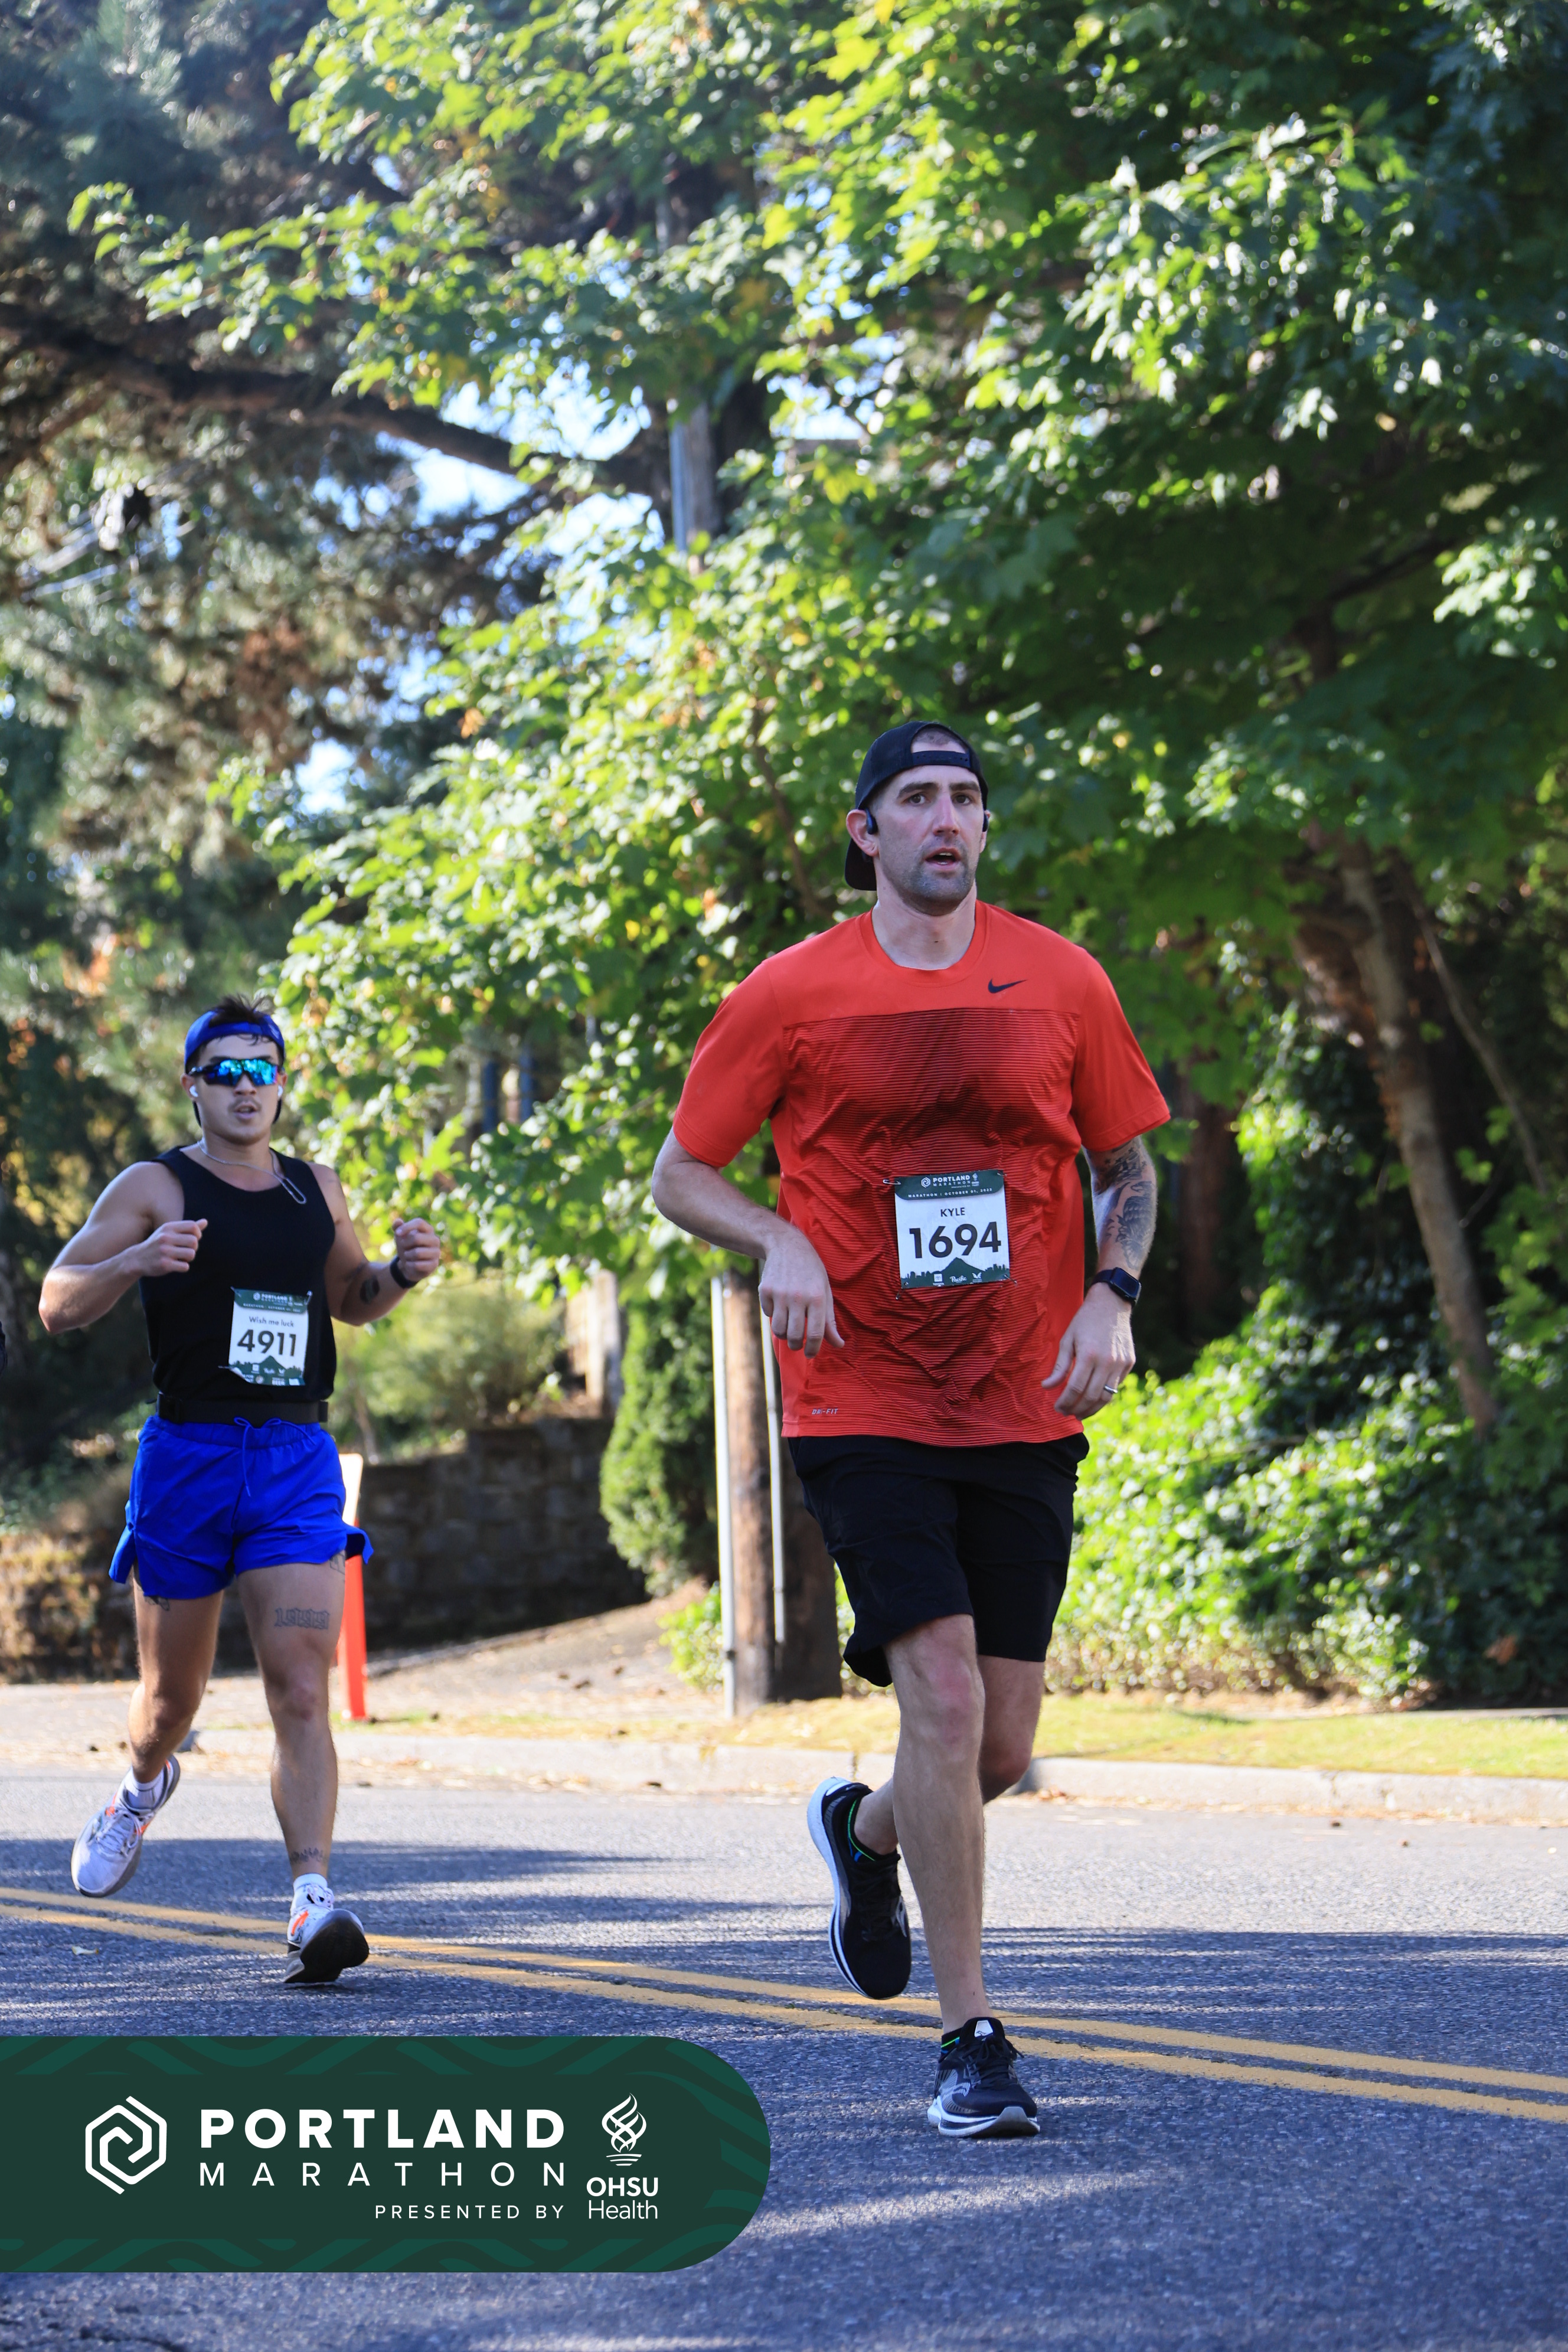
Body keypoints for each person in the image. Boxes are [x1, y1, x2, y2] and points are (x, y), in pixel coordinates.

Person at [651, 721, 1168, 2137]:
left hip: (1020, 1394)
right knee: (936, 1702)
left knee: (995, 1748)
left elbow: (1127, 1167)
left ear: (982, 829)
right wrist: (776, 1238)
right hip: (858, 1389)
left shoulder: (1059, 977)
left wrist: (1110, 1295)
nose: (946, 818)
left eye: (965, 798)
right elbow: (680, 1172)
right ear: (865, 831)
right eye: (916, 798)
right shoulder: (790, 991)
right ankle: (970, 2040)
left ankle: (864, 1832)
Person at [38, 993, 440, 1985]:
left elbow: (351, 1299)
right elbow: (56, 1302)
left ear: (282, 1083)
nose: (245, 1088)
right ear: (194, 1085)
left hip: (294, 1459)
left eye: (261, 1070)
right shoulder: (156, 1185)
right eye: (224, 1071)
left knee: (300, 1684)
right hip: (190, 1457)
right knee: (168, 1702)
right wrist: (135, 1259)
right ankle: (141, 1786)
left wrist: (400, 1272)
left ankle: (312, 1899)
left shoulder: (314, 1189)